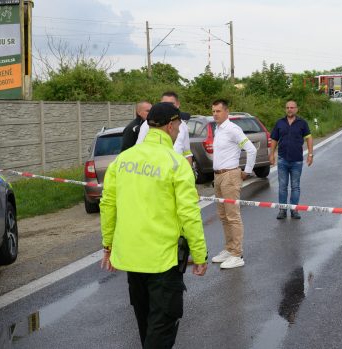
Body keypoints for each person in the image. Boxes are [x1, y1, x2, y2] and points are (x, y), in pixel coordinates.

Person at [100, 102, 208, 348]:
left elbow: (108, 205)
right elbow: (189, 214)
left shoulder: (123, 160)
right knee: (161, 331)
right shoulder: (177, 163)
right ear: (170, 126)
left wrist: (108, 245)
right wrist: (200, 254)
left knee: (146, 328)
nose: (180, 129)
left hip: (131, 260)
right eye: (180, 124)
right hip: (163, 262)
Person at [209, 99, 256, 269]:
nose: (215, 114)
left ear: (227, 112)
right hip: (219, 176)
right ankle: (229, 249)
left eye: (218, 111)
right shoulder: (218, 129)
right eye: (213, 111)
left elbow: (251, 149)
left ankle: (237, 254)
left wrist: (247, 171)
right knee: (223, 216)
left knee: (232, 216)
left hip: (230, 175)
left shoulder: (233, 129)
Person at [269, 100, 313, 219]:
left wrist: (310, 154)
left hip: (297, 161)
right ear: (285, 109)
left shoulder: (302, 123)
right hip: (282, 160)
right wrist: (271, 154)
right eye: (288, 107)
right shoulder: (280, 123)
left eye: (292, 107)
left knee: (295, 186)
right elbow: (274, 139)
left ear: (296, 109)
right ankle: (282, 210)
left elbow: (309, 138)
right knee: (282, 186)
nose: (290, 109)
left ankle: (294, 210)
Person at [137, 91, 193, 165]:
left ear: (178, 104)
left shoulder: (183, 125)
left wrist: (188, 171)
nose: (167, 107)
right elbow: (139, 149)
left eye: (171, 104)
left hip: (178, 170)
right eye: (164, 104)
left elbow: (187, 153)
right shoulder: (148, 124)